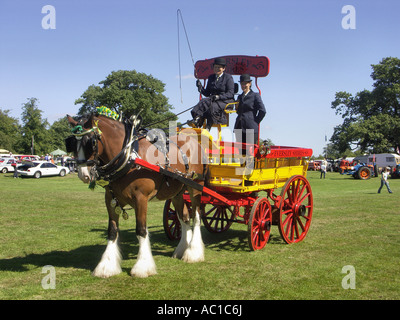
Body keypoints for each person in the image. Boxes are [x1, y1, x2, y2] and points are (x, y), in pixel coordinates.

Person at [188, 57, 235, 129]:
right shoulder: (211, 77)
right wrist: (200, 87)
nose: (217, 69)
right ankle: (196, 120)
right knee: (203, 101)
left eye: (219, 67)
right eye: (215, 67)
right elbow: (207, 93)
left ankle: (208, 126)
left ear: (223, 68)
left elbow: (231, 93)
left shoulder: (228, 77)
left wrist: (218, 97)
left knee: (211, 106)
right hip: (213, 100)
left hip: (225, 101)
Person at [234, 74, 266, 147]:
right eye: (242, 84)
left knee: (250, 154)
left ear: (250, 84)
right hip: (239, 127)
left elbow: (262, 111)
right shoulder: (239, 97)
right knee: (240, 153)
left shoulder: (255, 95)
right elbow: (238, 112)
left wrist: (255, 121)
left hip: (250, 128)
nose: (243, 85)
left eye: (245, 83)